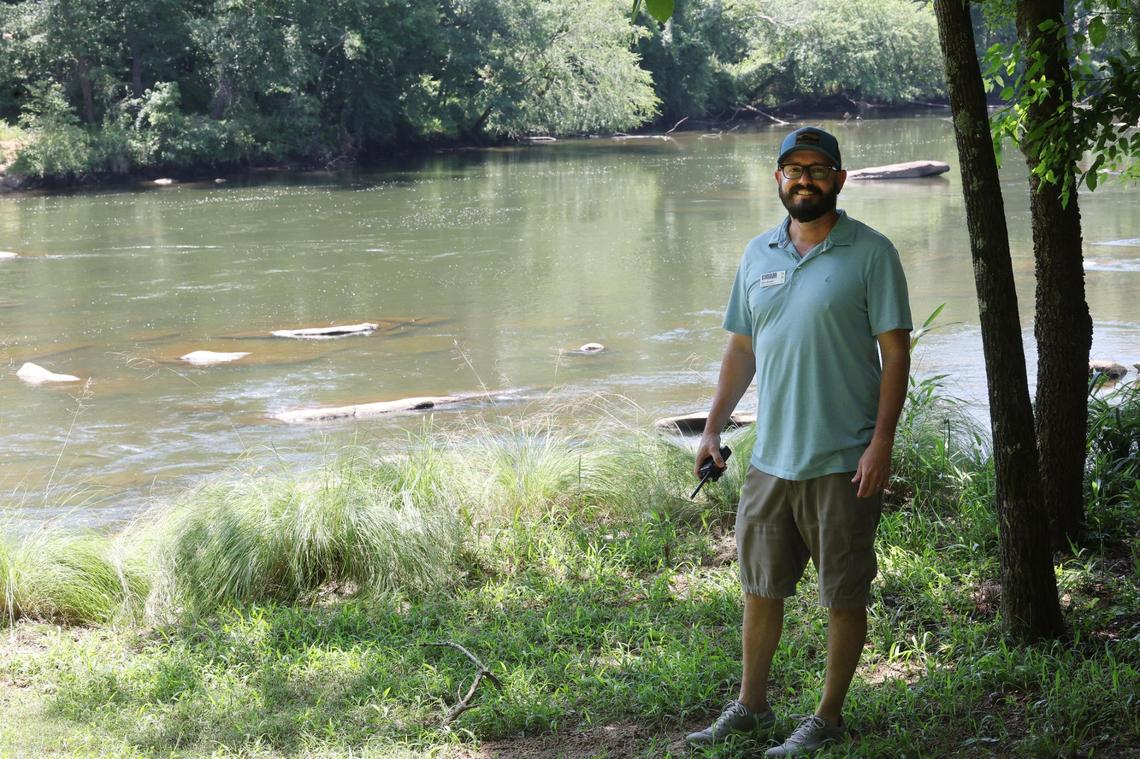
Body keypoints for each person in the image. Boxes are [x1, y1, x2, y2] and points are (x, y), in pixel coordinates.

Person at [685, 126, 912, 757]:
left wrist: (881, 445)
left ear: (840, 179)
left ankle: (827, 719)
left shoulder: (872, 252)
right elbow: (741, 348)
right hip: (768, 460)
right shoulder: (758, 254)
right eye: (792, 169)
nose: (803, 179)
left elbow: (896, 356)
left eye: (817, 168)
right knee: (760, 590)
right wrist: (712, 428)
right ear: (778, 179)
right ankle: (750, 707)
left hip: (843, 459)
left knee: (843, 594)